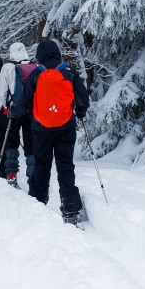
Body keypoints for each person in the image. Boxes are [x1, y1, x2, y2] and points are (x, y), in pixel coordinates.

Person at [11, 40, 90, 226]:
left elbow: (24, 102)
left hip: (41, 129)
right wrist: (80, 112)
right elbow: (83, 99)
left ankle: (38, 202)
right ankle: (70, 208)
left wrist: (13, 112)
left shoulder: (36, 74)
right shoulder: (68, 72)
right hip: (66, 127)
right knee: (65, 165)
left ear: (39, 56)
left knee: (41, 165)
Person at [0, 42, 37, 188]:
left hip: (13, 111)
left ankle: (11, 175)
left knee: (11, 142)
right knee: (31, 143)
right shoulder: (34, 67)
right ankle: (33, 176)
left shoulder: (7, 67)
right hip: (31, 111)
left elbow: (1, 92)